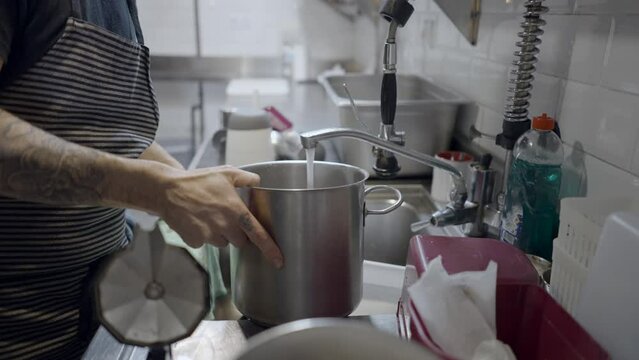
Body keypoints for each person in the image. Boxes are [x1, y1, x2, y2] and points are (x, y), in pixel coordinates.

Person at [0, 1, 283, 358]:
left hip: (102, 321)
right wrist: (158, 191)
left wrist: (185, 182)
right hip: (24, 336)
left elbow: (97, 130)